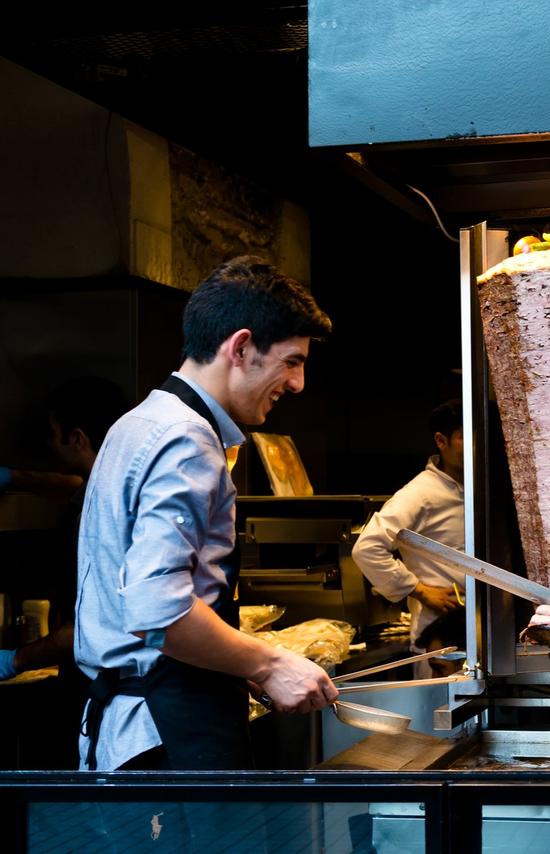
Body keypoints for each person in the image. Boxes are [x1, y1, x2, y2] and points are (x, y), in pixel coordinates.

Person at [76, 255, 339, 772]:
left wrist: (234, 663)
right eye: (291, 360)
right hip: (164, 732)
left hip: (133, 724)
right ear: (241, 348)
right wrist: (269, 663)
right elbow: (157, 610)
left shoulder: (141, 420)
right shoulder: (187, 439)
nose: (298, 383)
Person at [0, 377, 127, 767]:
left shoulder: (108, 513)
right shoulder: (113, 481)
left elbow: (94, 624)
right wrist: (15, 478)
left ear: (76, 438)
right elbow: (76, 483)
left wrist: (14, 660)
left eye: (52, 434)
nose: (46, 444)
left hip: (103, 687)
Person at [352, 400, 466, 677]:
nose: (476, 447)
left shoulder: (477, 488)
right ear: (441, 441)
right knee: (438, 717)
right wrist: (419, 589)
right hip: (436, 639)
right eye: (465, 437)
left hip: (476, 633)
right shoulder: (421, 493)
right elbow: (367, 548)